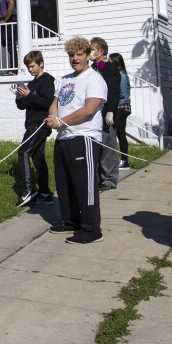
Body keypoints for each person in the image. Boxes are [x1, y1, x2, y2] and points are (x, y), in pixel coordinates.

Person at [45, 37, 106, 244]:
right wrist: (53, 118)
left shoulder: (94, 79)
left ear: (88, 56)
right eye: (72, 55)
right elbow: (56, 103)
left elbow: (89, 109)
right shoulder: (64, 79)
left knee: (85, 184)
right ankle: (70, 220)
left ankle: (91, 228)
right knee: (65, 183)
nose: (75, 58)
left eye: (79, 54)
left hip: (85, 137)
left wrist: (60, 121)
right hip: (64, 137)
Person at [13, 50, 56, 207]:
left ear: (41, 64)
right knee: (38, 157)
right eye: (28, 67)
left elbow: (48, 103)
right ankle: (45, 192)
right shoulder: (31, 84)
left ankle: (27, 191)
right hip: (31, 123)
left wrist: (30, 95)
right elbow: (22, 106)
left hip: (41, 124)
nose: (30, 69)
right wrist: (19, 96)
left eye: (32, 66)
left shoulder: (47, 81)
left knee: (23, 151)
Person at [90, 37, 123, 190]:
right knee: (97, 147)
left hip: (106, 112)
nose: (89, 53)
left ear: (100, 51)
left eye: (92, 50)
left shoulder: (109, 68)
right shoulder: (92, 68)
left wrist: (110, 111)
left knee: (108, 146)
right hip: (94, 112)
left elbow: (114, 91)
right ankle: (97, 177)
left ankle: (110, 178)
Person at [109, 52, 132, 169]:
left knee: (119, 134)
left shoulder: (121, 75)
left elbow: (122, 93)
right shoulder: (119, 74)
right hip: (120, 107)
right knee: (119, 133)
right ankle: (122, 160)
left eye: (110, 60)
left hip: (121, 107)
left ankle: (124, 160)